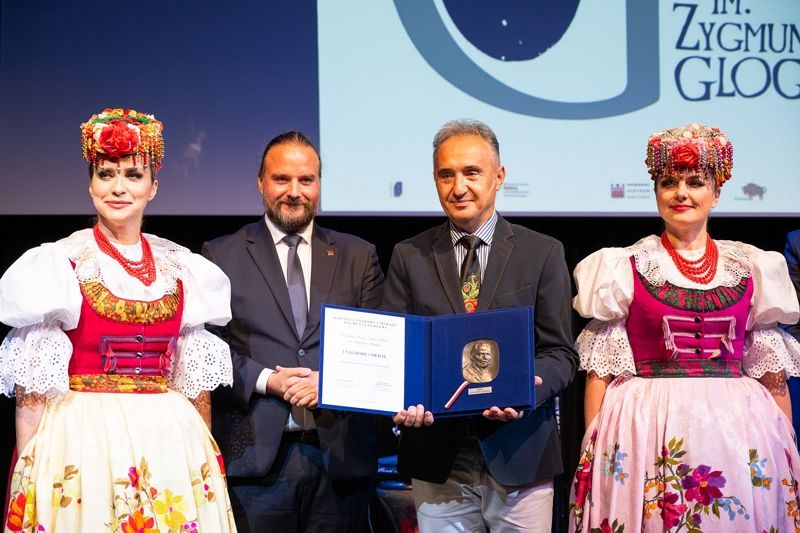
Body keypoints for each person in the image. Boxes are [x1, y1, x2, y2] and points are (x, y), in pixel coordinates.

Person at [0, 108, 236, 532]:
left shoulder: (182, 268)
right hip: (83, 440)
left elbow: (193, 383)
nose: (118, 188)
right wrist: (28, 468)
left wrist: (205, 457)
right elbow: (31, 389)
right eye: (105, 175)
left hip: (167, 443)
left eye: (132, 175)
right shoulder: (60, 263)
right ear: (90, 184)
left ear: (153, 187)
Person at [568, 124, 800, 532]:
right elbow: (601, 370)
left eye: (695, 182)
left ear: (716, 191)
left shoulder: (750, 268)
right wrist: (595, 446)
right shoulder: (625, 266)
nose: (681, 193)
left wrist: (786, 445)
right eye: (668, 182)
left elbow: (770, 371)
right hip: (645, 425)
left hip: (736, 429)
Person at [385, 119, 578, 532]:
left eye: (472, 172)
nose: (459, 187)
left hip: (521, 451)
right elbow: (397, 351)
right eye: (446, 174)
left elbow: (561, 353)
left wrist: (528, 387)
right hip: (438, 458)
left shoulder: (542, 253)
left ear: (499, 176)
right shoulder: (409, 255)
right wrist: (403, 399)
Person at [202, 131, 385, 533]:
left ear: (319, 184)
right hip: (256, 461)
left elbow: (382, 351)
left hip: (340, 458)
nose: (294, 191)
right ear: (261, 183)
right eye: (281, 179)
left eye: (306, 180)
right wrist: (270, 380)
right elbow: (209, 354)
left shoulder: (358, 255)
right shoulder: (221, 255)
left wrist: (332, 383)